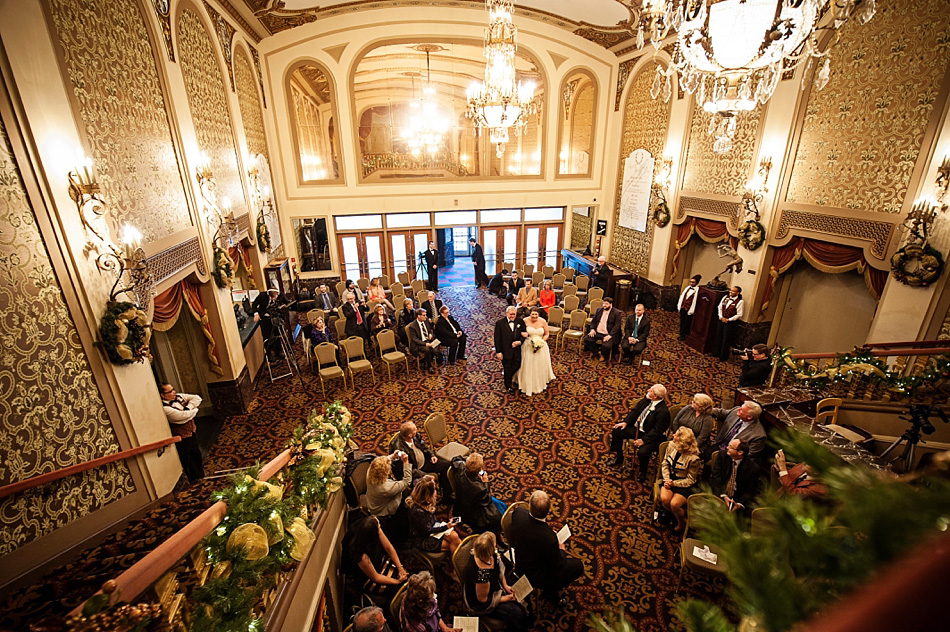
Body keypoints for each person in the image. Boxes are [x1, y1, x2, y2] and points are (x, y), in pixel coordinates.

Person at [507, 490, 584, 605]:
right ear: (548, 511)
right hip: (535, 574)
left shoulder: (518, 513)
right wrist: (561, 549)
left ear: (529, 505)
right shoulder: (549, 538)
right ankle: (549, 592)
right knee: (578, 566)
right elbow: (556, 564)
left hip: (519, 560)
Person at [462, 532, 529, 631]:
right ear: (489, 551)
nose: (496, 546)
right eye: (494, 545)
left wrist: (505, 585)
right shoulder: (481, 575)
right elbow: (483, 599)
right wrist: (505, 598)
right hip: (487, 600)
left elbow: (499, 571)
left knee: (524, 591)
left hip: (495, 584)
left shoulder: (488, 554)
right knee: (518, 614)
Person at [607, 383, 671, 482]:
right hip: (638, 429)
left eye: (650, 391)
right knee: (617, 431)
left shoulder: (663, 412)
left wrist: (643, 440)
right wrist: (626, 422)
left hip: (650, 436)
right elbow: (635, 411)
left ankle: (642, 471)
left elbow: (657, 431)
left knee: (643, 452)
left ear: (655, 396)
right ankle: (619, 457)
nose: (647, 391)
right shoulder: (647, 400)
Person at [343, 516, 408, 606]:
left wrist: (400, 568)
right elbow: (375, 577)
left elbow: (389, 548)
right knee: (399, 588)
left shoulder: (374, 524)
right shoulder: (360, 555)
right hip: (368, 578)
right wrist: (396, 581)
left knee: (406, 576)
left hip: (379, 563)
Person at [389, 421, 452, 500]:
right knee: (427, 483)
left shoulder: (415, 436)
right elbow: (406, 470)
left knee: (447, 466)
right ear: (410, 435)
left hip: (424, 462)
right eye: (415, 430)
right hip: (414, 472)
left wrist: (431, 455)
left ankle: (447, 495)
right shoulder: (398, 449)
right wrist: (424, 475)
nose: (417, 430)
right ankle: (428, 500)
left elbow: (424, 446)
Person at [658, 427, 703, 532]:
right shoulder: (671, 445)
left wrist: (674, 483)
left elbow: (690, 480)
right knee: (665, 500)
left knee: (674, 504)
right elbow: (665, 463)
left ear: (682, 440)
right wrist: (667, 479)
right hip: (669, 478)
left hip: (683, 484)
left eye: (676, 435)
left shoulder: (693, 458)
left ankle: (682, 522)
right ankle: (674, 517)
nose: (673, 435)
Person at [450, 452, 503, 536]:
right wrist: (485, 483)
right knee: (499, 514)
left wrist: (469, 463)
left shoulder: (460, 467)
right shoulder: (480, 488)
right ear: (479, 470)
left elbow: (455, 458)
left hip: (461, 501)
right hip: (474, 510)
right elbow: (486, 500)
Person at [160, 383, 204, 482]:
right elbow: (183, 417)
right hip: (181, 436)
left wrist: (189, 407)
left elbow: (197, 398)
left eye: (173, 389)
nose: (174, 392)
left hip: (191, 431)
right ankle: (191, 479)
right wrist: (195, 409)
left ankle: (200, 475)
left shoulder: (178, 397)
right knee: (186, 458)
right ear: (162, 395)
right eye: (170, 391)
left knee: (196, 454)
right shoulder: (165, 408)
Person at [406, 476, 462, 555]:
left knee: (454, 536)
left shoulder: (423, 502)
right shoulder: (418, 512)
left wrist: (445, 526)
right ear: (428, 494)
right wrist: (446, 527)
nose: (436, 492)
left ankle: (457, 562)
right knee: (455, 544)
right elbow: (427, 530)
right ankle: (456, 565)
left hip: (432, 528)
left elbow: (429, 523)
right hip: (423, 538)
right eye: (434, 490)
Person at [711, 439, 763, 513]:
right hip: (721, 492)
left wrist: (739, 503)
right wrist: (722, 495)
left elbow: (750, 490)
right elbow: (716, 477)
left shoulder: (753, 468)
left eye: (730, 447)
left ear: (740, 452)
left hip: (738, 497)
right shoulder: (722, 456)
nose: (727, 448)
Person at [515, 307, 555, 396]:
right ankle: (525, 381)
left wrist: (542, 341)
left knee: (539, 364)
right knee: (527, 364)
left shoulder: (543, 321)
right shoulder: (524, 321)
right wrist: (523, 334)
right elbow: (519, 331)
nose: (534, 316)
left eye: (536, 314)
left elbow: (546, 334)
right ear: (529, 314)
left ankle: (540, 380)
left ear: (538, 315)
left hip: (540, 345)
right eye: (532, 314)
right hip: (528, 345)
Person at [365, 453, 412, 520]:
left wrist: (392, 456)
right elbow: (407, 482)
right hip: (382, 511)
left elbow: (380, 463)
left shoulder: (370, 471)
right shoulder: (386, 488)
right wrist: (405, 463)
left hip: (373, 504)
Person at [494, 306, 526, 394]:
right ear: (506, 313)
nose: (512, 316)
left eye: (514, 314)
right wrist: (498, 352)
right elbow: (497, 339)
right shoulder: (499, 323)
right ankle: (508, 386)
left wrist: (519, 342)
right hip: (505, 350)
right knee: (507, 368)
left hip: (517, 350)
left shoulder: (520, 321)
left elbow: (524, 334)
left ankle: (507, 377)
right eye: (510, 314)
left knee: (517, 365)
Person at [252, 286, 287, 359]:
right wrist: (256, 313)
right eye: (272, 297)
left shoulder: (281, 295)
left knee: (277, 335)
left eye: (275, 297)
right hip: (265, 319)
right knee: (267, 336)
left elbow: (288, 302)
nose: (273, 299)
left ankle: (279, 352)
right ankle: (269, 354)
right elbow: (254, 305)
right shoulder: (262, 296)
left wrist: (283, 306)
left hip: (275, 318)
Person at [583, 297, 622, 361]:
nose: (604, 305)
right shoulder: (599, 310)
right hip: (597, 332)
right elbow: (593, 321)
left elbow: (617, 326)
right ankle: (597, 353)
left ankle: (602, 354)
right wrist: (592, 329)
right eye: (603, 304)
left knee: (607, 346)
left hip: (608, 334)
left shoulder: (616, 313)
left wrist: (610, 336)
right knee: (587, 339)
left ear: (610, 304)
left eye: (606, 304)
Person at [716, 285, 744, 361]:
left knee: (726, 340)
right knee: (719, 336)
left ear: (737, 293)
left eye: (733, 291)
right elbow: (720, 307)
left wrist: (728, 320)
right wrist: (720, 317)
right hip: (721, 319)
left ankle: (723, 356)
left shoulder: (740, 302)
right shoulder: (725, 297)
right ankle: (716, 353)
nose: (730, 292)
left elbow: (739, 314)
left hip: (730, 323)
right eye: (730, 290)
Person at [408, 308, 439, 374]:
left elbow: (430, 329)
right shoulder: (412, 326)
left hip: (427, 340)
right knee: (427, 349)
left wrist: (430, 334)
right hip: (419, 343)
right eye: (424, 315)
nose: (425, 316)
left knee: (434, 349)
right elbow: (414, 339)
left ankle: (426, 361)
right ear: (418, 316)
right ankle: (429, 366)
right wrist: (425, 344)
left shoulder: (426, 320)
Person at [677, 275, 701, 340]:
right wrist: (679, 306)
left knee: (687, 323)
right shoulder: (687, 288)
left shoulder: (697, 290)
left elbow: (694, 302)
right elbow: (682, 297)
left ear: (697, 283)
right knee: (682, 321)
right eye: (690, 282)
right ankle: (681, 333)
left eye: (693, 282)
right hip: (683, 307)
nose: (691, 283)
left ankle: (684, 335)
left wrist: (691, 311)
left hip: (689, 309)